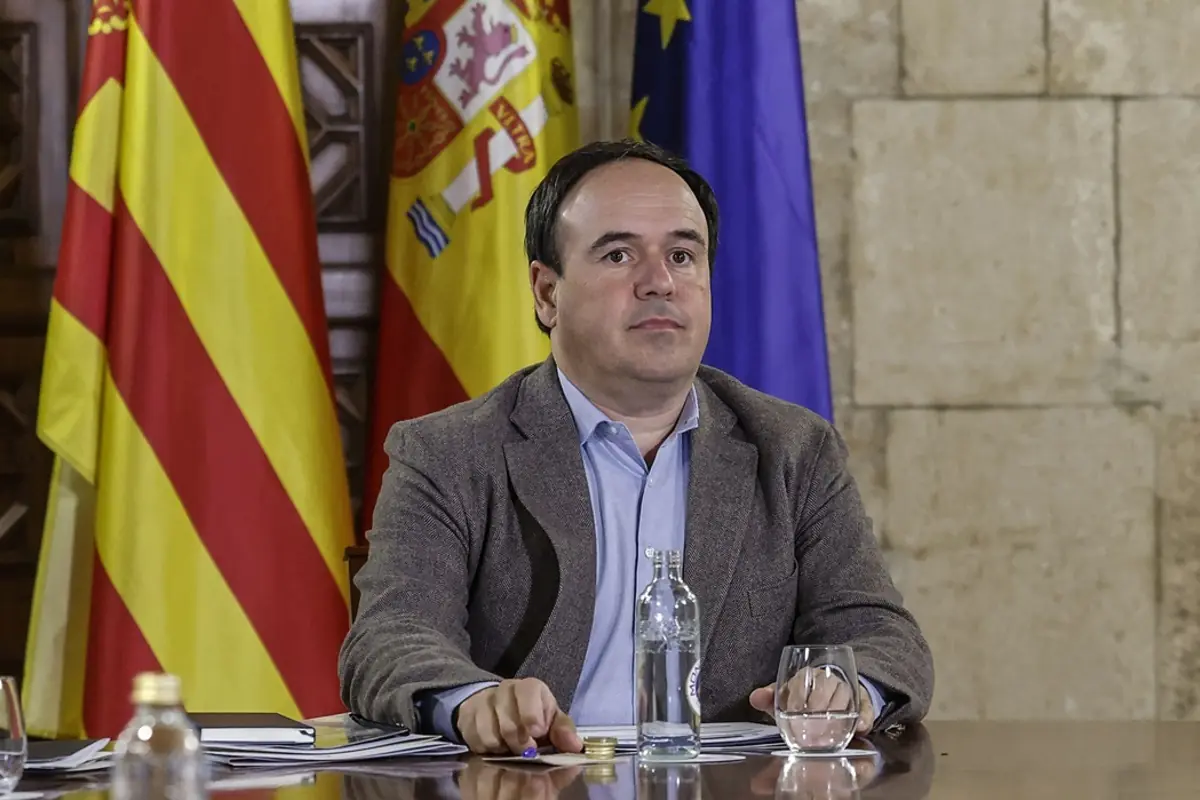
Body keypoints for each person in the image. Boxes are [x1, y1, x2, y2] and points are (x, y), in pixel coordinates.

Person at [338, 139, 934, 756]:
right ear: (547, 294)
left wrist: (848, 684)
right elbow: (391, 635)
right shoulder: (450, 453)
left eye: (682, 255)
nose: (660, 283)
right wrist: (473, 702)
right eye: (619, 254)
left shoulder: (794, 450)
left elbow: (881, 633)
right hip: (534, 786)